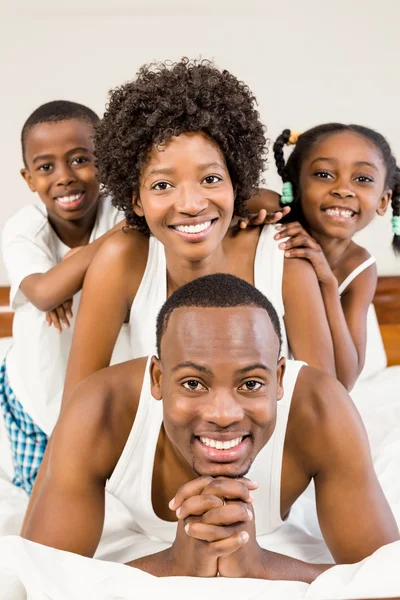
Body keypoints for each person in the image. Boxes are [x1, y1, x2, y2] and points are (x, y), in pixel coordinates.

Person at [21, 274, 399, 581]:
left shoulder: (322, 406)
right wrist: (172, 565)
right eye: (192, 384)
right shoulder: (98, 407)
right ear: (157, 377)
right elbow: (34, 576)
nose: (222, 414)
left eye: (251, 383)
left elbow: (387, 575)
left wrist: (264, 566)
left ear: (279, 377)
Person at [61, 58, 336, 406]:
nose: (191, 204)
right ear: (137, 200)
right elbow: (78, 407)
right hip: (157, 454)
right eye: (162, 185)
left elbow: (324, 405)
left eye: (210, 179)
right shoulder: (122, 261)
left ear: (237, 185)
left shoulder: (283, 258)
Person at [0, 100, 128, 494]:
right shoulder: (24, 230)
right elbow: (43, 294)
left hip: (103, 397)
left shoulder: (122, 212)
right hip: (34, 392)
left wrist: (70, 271)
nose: (65, 177)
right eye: (45, 167)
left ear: (104, 161)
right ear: (27, 178)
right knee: (42, 493)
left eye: (79, 160)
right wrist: (89, 261)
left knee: (110, 486)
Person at [245, 124, 400, 390]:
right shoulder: (273, 214)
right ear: (295, 186)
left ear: (383, 202)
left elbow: (345, 379)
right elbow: (217, 201)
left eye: (362, 179)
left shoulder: (358, 266)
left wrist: (327, 283)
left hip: (311, 394)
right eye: (324, 174)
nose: (343, 189)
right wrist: (242, 218)